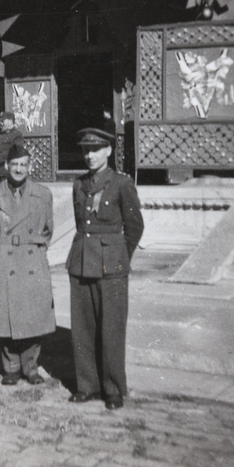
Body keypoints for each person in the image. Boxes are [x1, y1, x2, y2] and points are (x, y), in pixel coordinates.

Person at [66, 127, 144, 410]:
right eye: (85, 150)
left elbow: (135, 227)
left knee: (111, 329)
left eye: (95, 149)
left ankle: (113, 388)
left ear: (109, 151)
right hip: (81, 262)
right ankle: (87, 385)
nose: (89, 155)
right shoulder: (78, 184)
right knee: (83, 329)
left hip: (112, 267)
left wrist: (119, 257)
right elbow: (80, 224)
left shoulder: (121, 183)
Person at [0, 144, 55, 386]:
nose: (19, 169)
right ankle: (11, 367)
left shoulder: (43, 194)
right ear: (6, 166)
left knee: (34, 314)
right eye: (15, 165)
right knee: (5, 316)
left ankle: (31, 367)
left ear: (30, 167)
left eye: (24, 165)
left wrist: (33, 249)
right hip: (4, 257)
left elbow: (47, 230)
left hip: (31, 257)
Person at [0, 111, 24, 184]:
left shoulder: (17, 135)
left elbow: (16, 151)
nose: (0, 124)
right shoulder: (1, 135)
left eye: (2, 121)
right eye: (0, 121)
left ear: (10, 121)